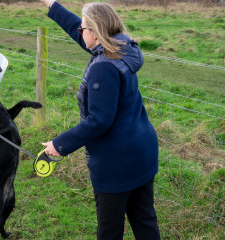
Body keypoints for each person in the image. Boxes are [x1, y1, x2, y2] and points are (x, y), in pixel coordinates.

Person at [40, 1, 161, 239]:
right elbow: (80, 29)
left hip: (117, 163)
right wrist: (53, 5)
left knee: (109, 230)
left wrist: (59, 145)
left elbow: (98, 121)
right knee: (145, 221)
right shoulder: (123, 47)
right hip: (142, 152)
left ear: (95, 32)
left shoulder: (102, 68)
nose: (79, 31)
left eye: (83, 28)